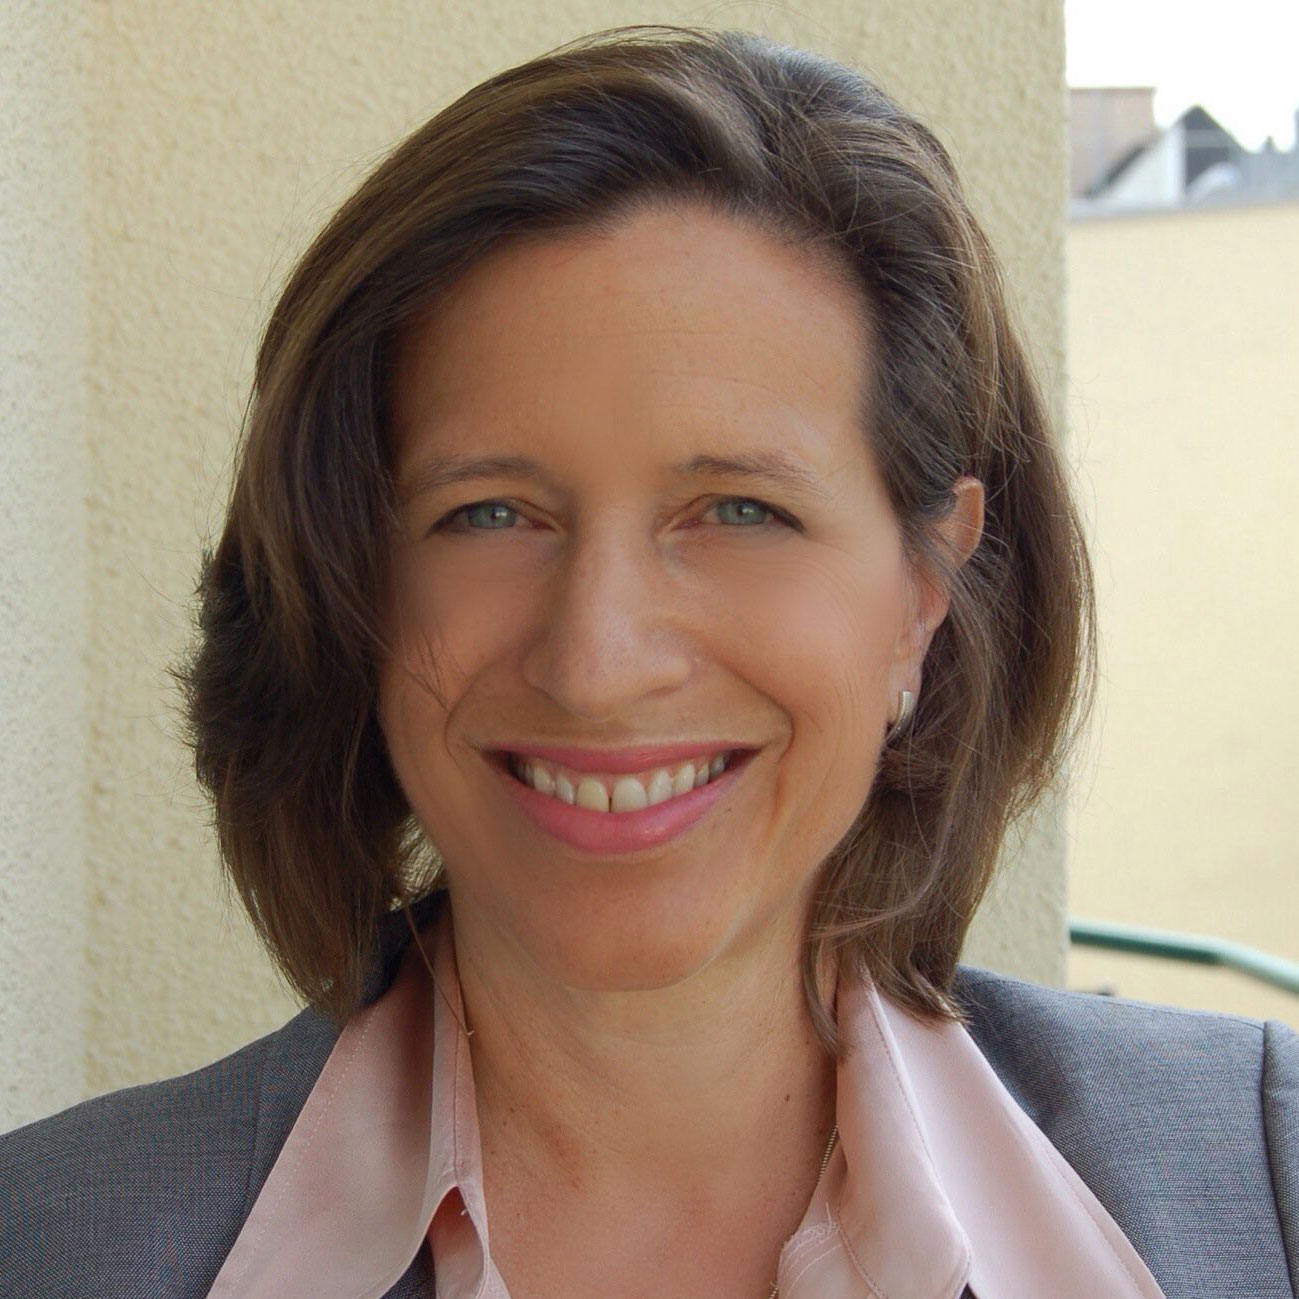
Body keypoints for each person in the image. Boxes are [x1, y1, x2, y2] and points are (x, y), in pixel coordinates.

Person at [2, 24, 1295, 1299]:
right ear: (355, 588)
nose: (598, 663)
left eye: (739, 510)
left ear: (922, 591)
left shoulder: (1270, 1183)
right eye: (489, 513)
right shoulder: (44, 1246)